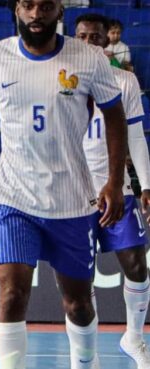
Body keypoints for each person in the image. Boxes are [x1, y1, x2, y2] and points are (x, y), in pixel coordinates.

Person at [0, 0, 127, 368]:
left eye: (45, 7)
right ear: (17, 9)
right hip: (12, 197)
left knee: (77, 303)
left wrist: (114, 181)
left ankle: (85, 361)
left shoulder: (89, 59)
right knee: (12, 294)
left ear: (59, 11)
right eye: (28, 6)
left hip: (72, 199)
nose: (35, 15)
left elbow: (114, 115)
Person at [75, 13, 150, 368]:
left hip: (117, 189)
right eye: (83, 36)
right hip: (73, 193)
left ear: (108, 41)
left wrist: (145, 184)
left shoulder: (125, 81)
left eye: (95, 37)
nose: (89, 42)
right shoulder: (62, 80)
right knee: (78, 278)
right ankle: (86, 356)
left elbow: (135, 135)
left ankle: (133, 337)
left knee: (136, 263)